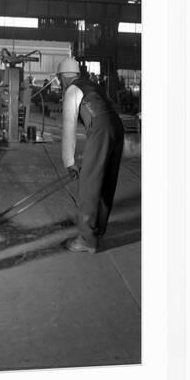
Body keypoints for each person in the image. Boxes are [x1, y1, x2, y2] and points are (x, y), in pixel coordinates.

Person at [58, 56, 124, 253]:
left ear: (62, 78)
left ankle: (87, 238)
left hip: (101, 129)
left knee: (89, 183)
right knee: (106, 181)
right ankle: (97, 229)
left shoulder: (71, 91)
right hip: (116, 127)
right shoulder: (90, 84)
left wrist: (69, 162)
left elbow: (69, 129)